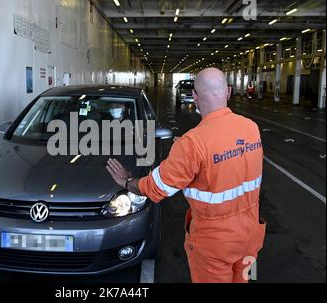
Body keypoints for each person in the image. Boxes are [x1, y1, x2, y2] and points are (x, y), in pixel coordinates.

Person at [106, 68, 266, 283]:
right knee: (246, 279)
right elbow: (226, 158)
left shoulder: (192, 143)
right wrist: (186, 152)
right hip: (251, 237)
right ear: (227, 92)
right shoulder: (251, 128)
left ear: (196, 97)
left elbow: (155, 188)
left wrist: (127, 181)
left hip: (215, 244)